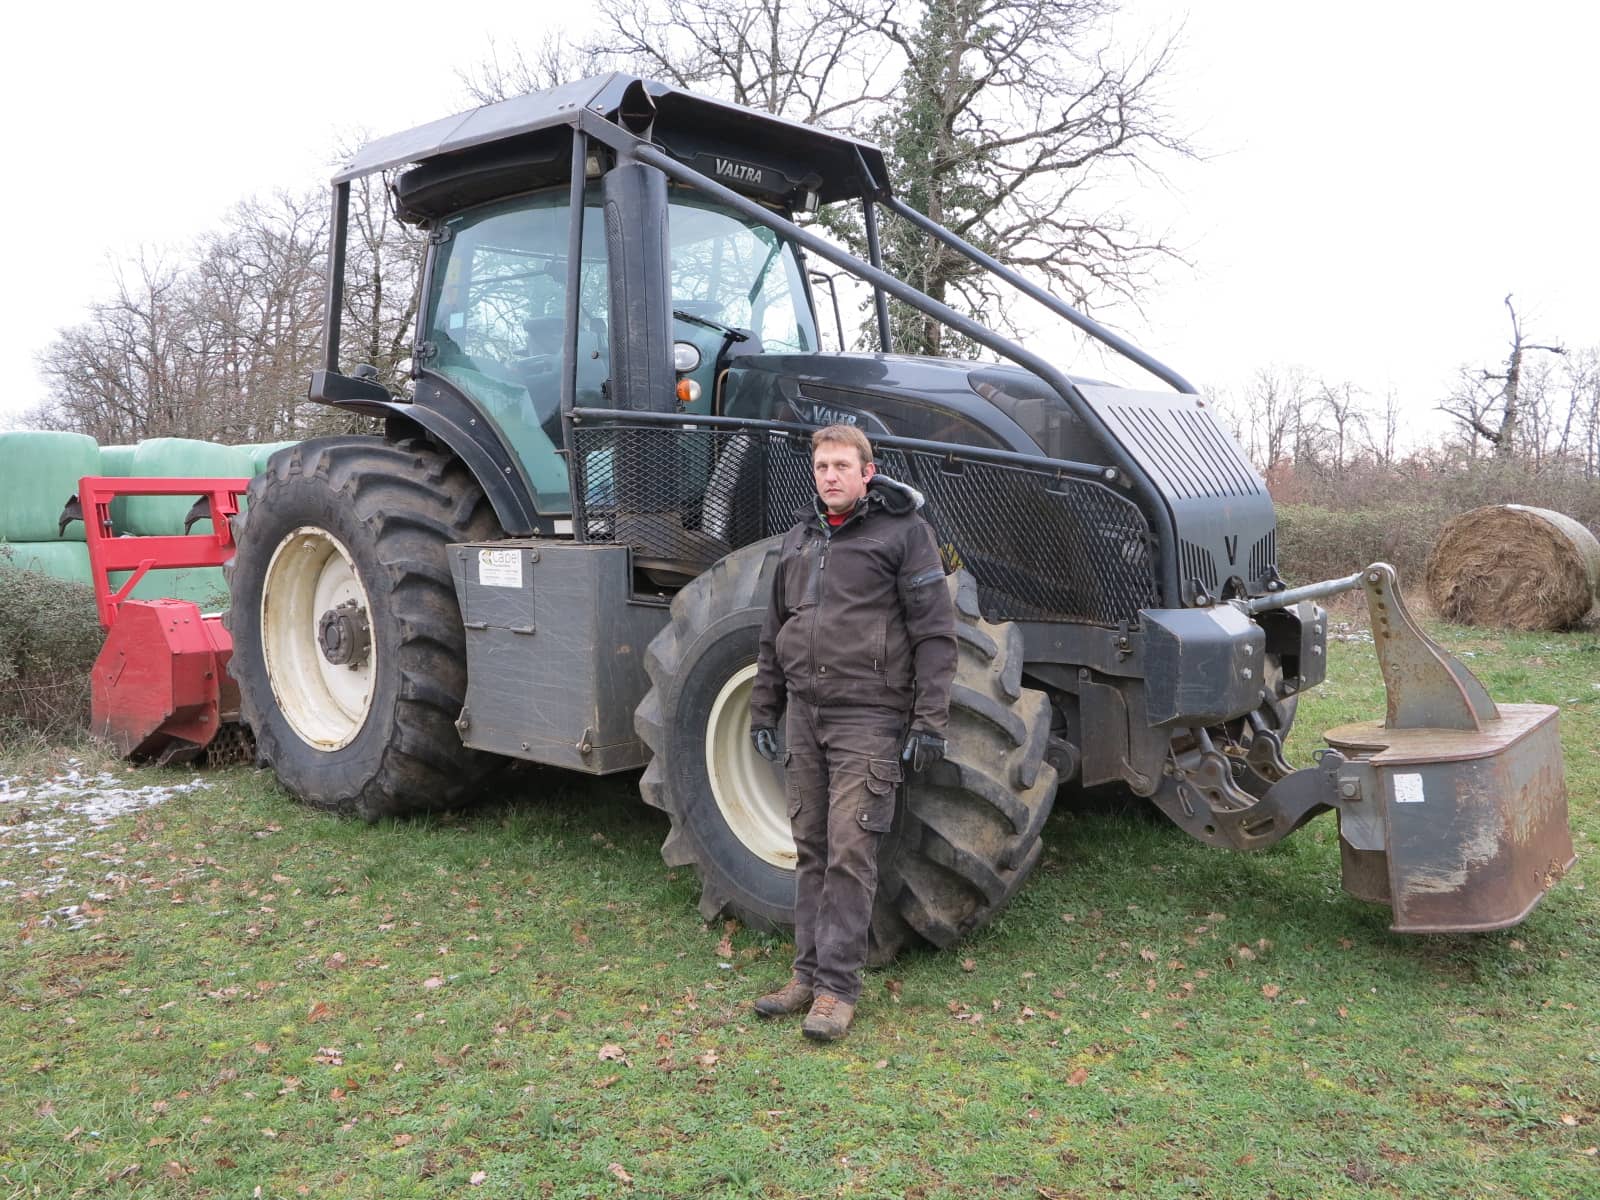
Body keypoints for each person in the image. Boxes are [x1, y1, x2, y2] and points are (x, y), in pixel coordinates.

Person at [748, 423, 957, 1041]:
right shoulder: (799, 539)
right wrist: (765, 708)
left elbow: (934, 634)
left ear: (868, 471)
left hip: (868, 718)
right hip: (806, 716)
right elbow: (772, 631)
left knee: (850, 851)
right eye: (821, 467)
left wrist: (930, 720)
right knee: (810, 846)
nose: (830, 476)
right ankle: (806, 976)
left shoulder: (904, 535)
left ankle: (838, 990)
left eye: (842, 465)